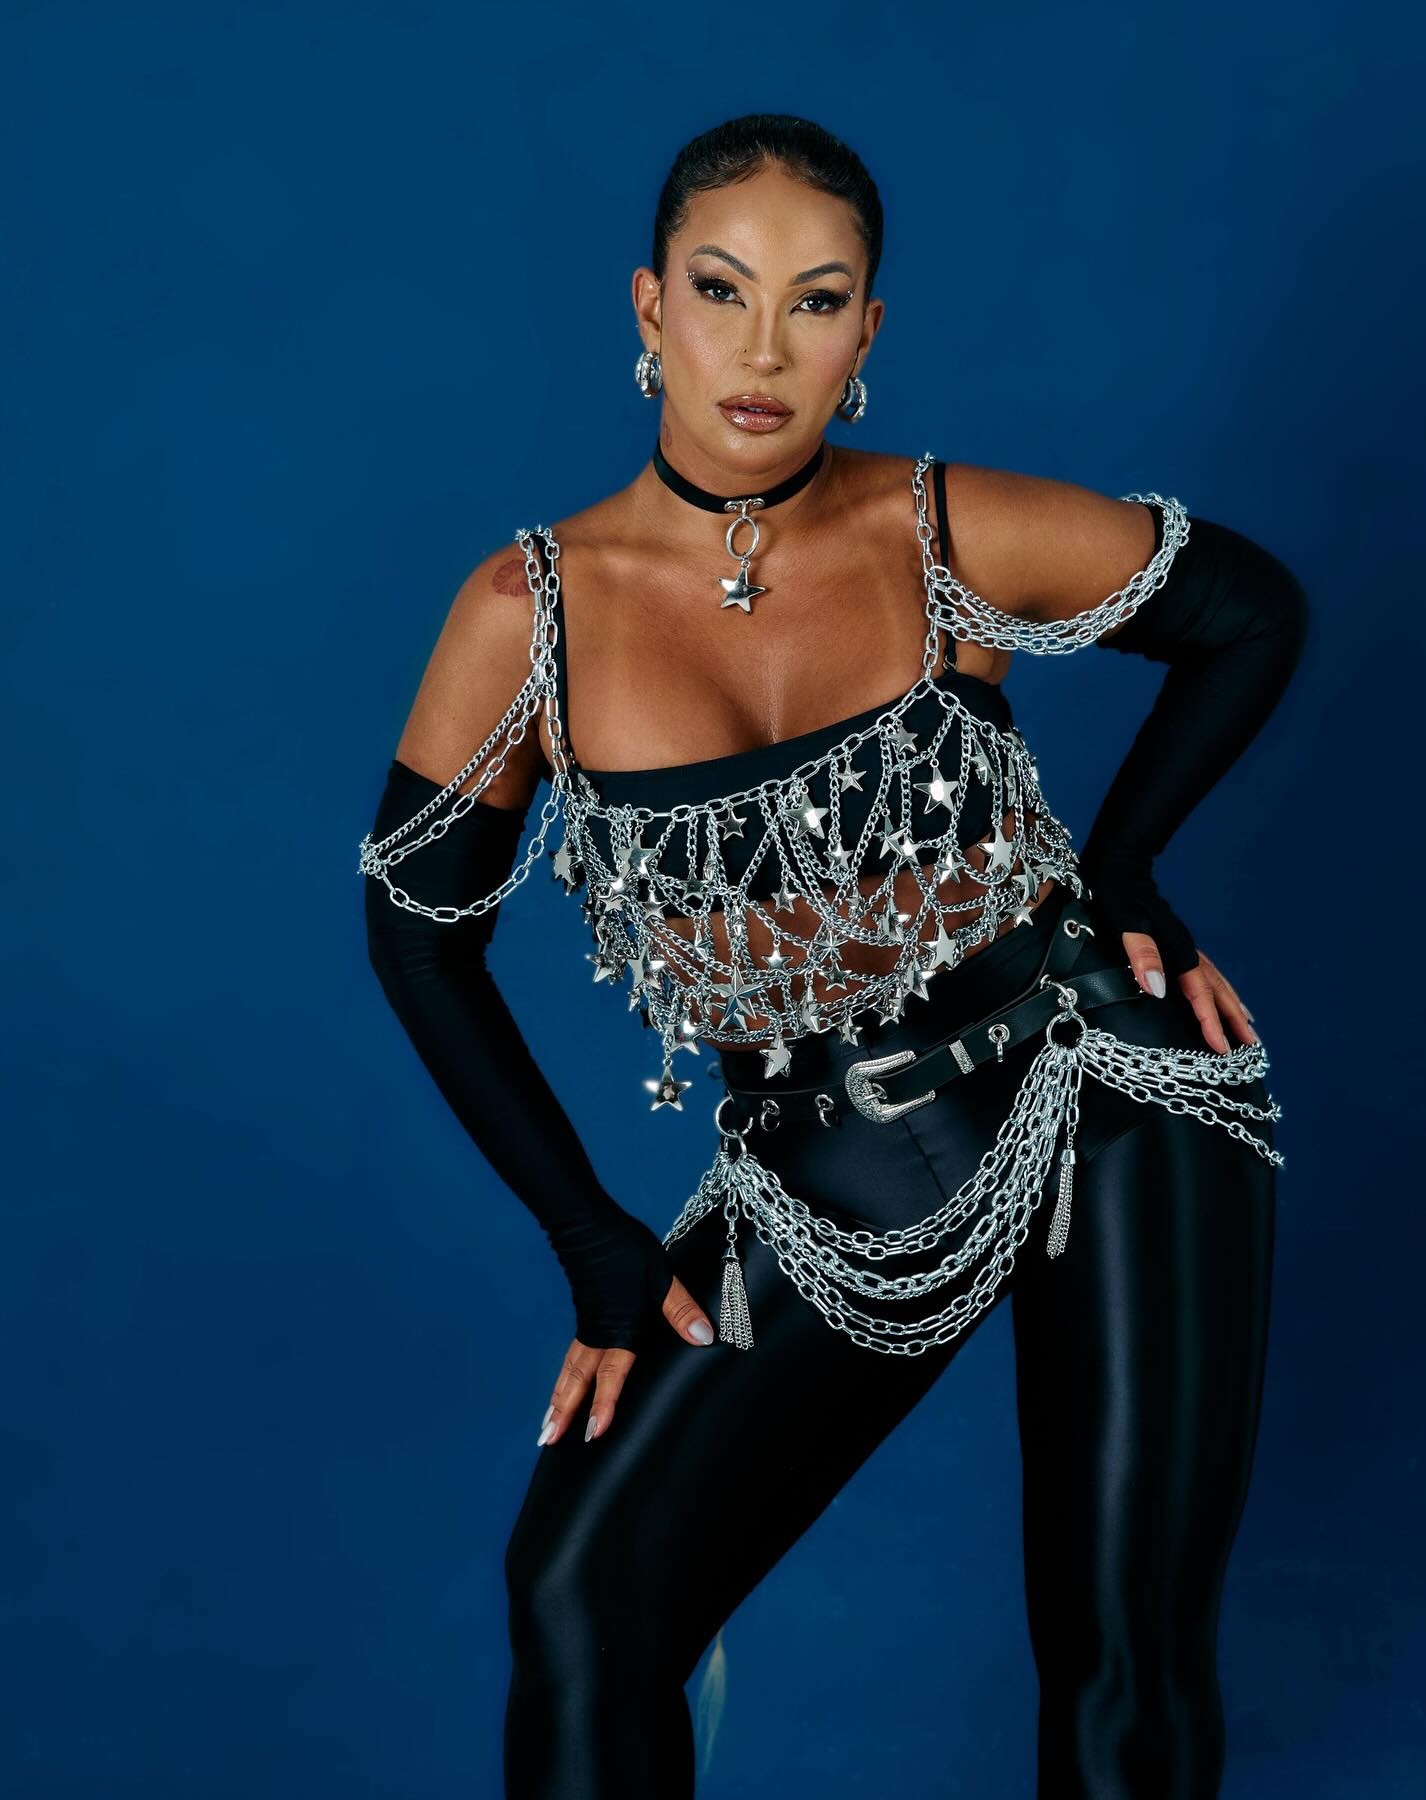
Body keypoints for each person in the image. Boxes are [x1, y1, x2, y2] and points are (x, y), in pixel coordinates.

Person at [359, 114, 1307, 1800]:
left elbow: (1249, 613)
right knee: (586, 1599)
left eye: (816, 301)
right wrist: (590, 1237)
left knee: (1123, 1646)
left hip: (1108, 1080)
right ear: (651, 306)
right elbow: (418, 941)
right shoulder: (531, 615)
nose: (764, 350)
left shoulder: (944, 530)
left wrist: (1127, 872)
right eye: (724, 291)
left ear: (866, 330)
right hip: (828, 1160)